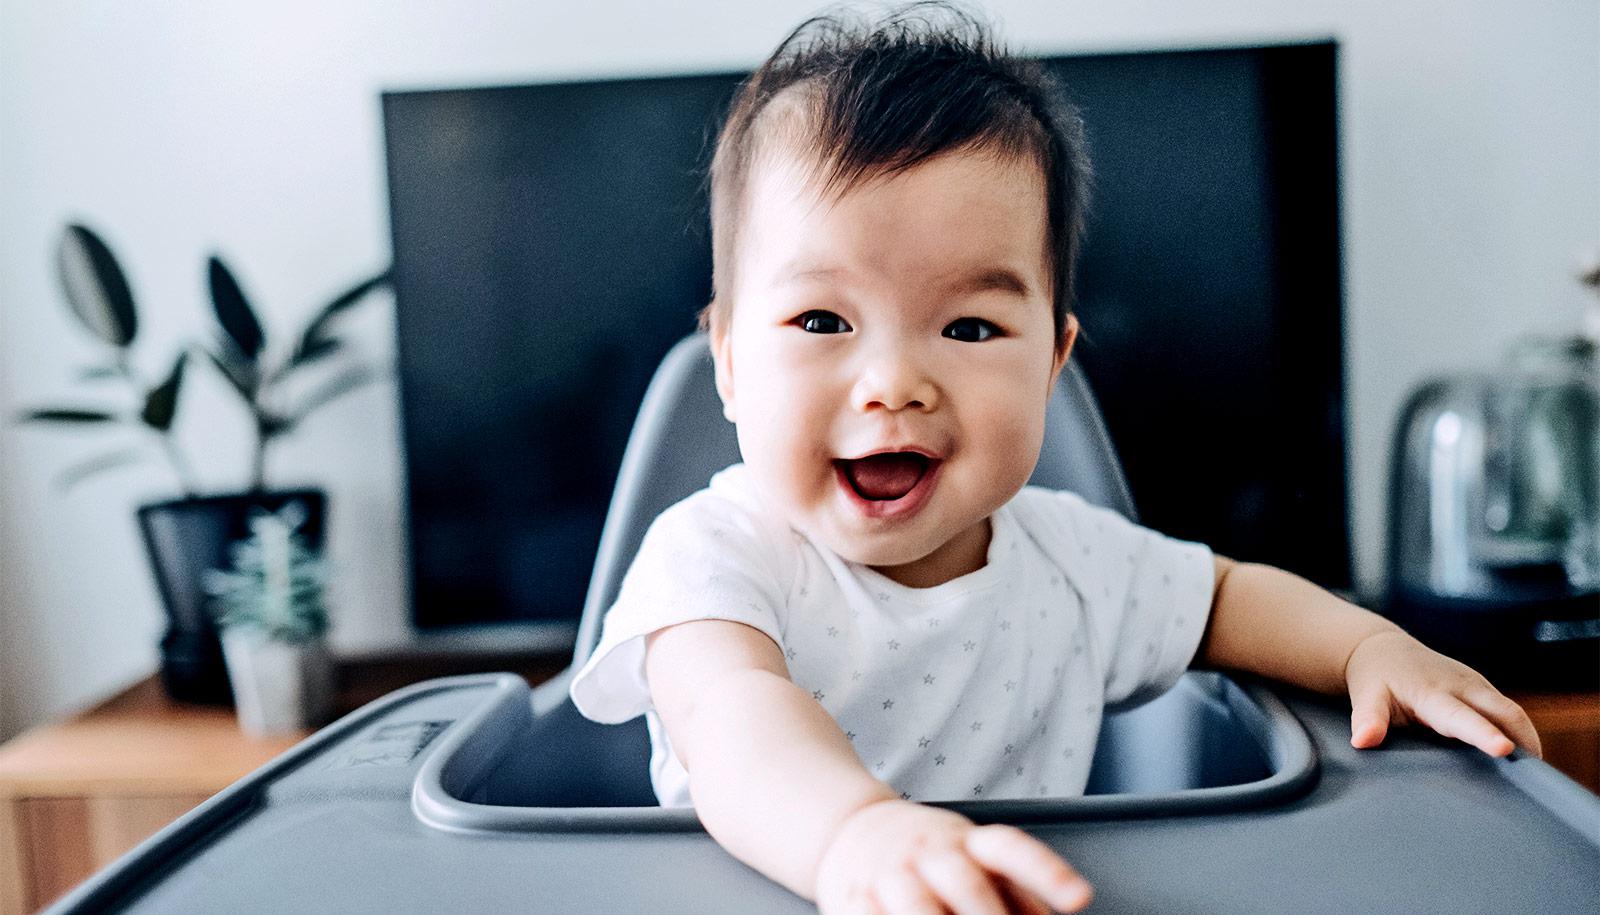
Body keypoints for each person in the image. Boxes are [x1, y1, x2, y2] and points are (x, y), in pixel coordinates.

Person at [569, 4, 1543, 912]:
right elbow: (733, 719)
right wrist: (855, 838)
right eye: (824, 319)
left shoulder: (1075, 563)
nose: (894, 382)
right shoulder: (710, 558)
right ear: (730, 366)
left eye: (969, 326)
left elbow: (1230, 599)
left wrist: (1369, 648)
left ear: (1051, 365)